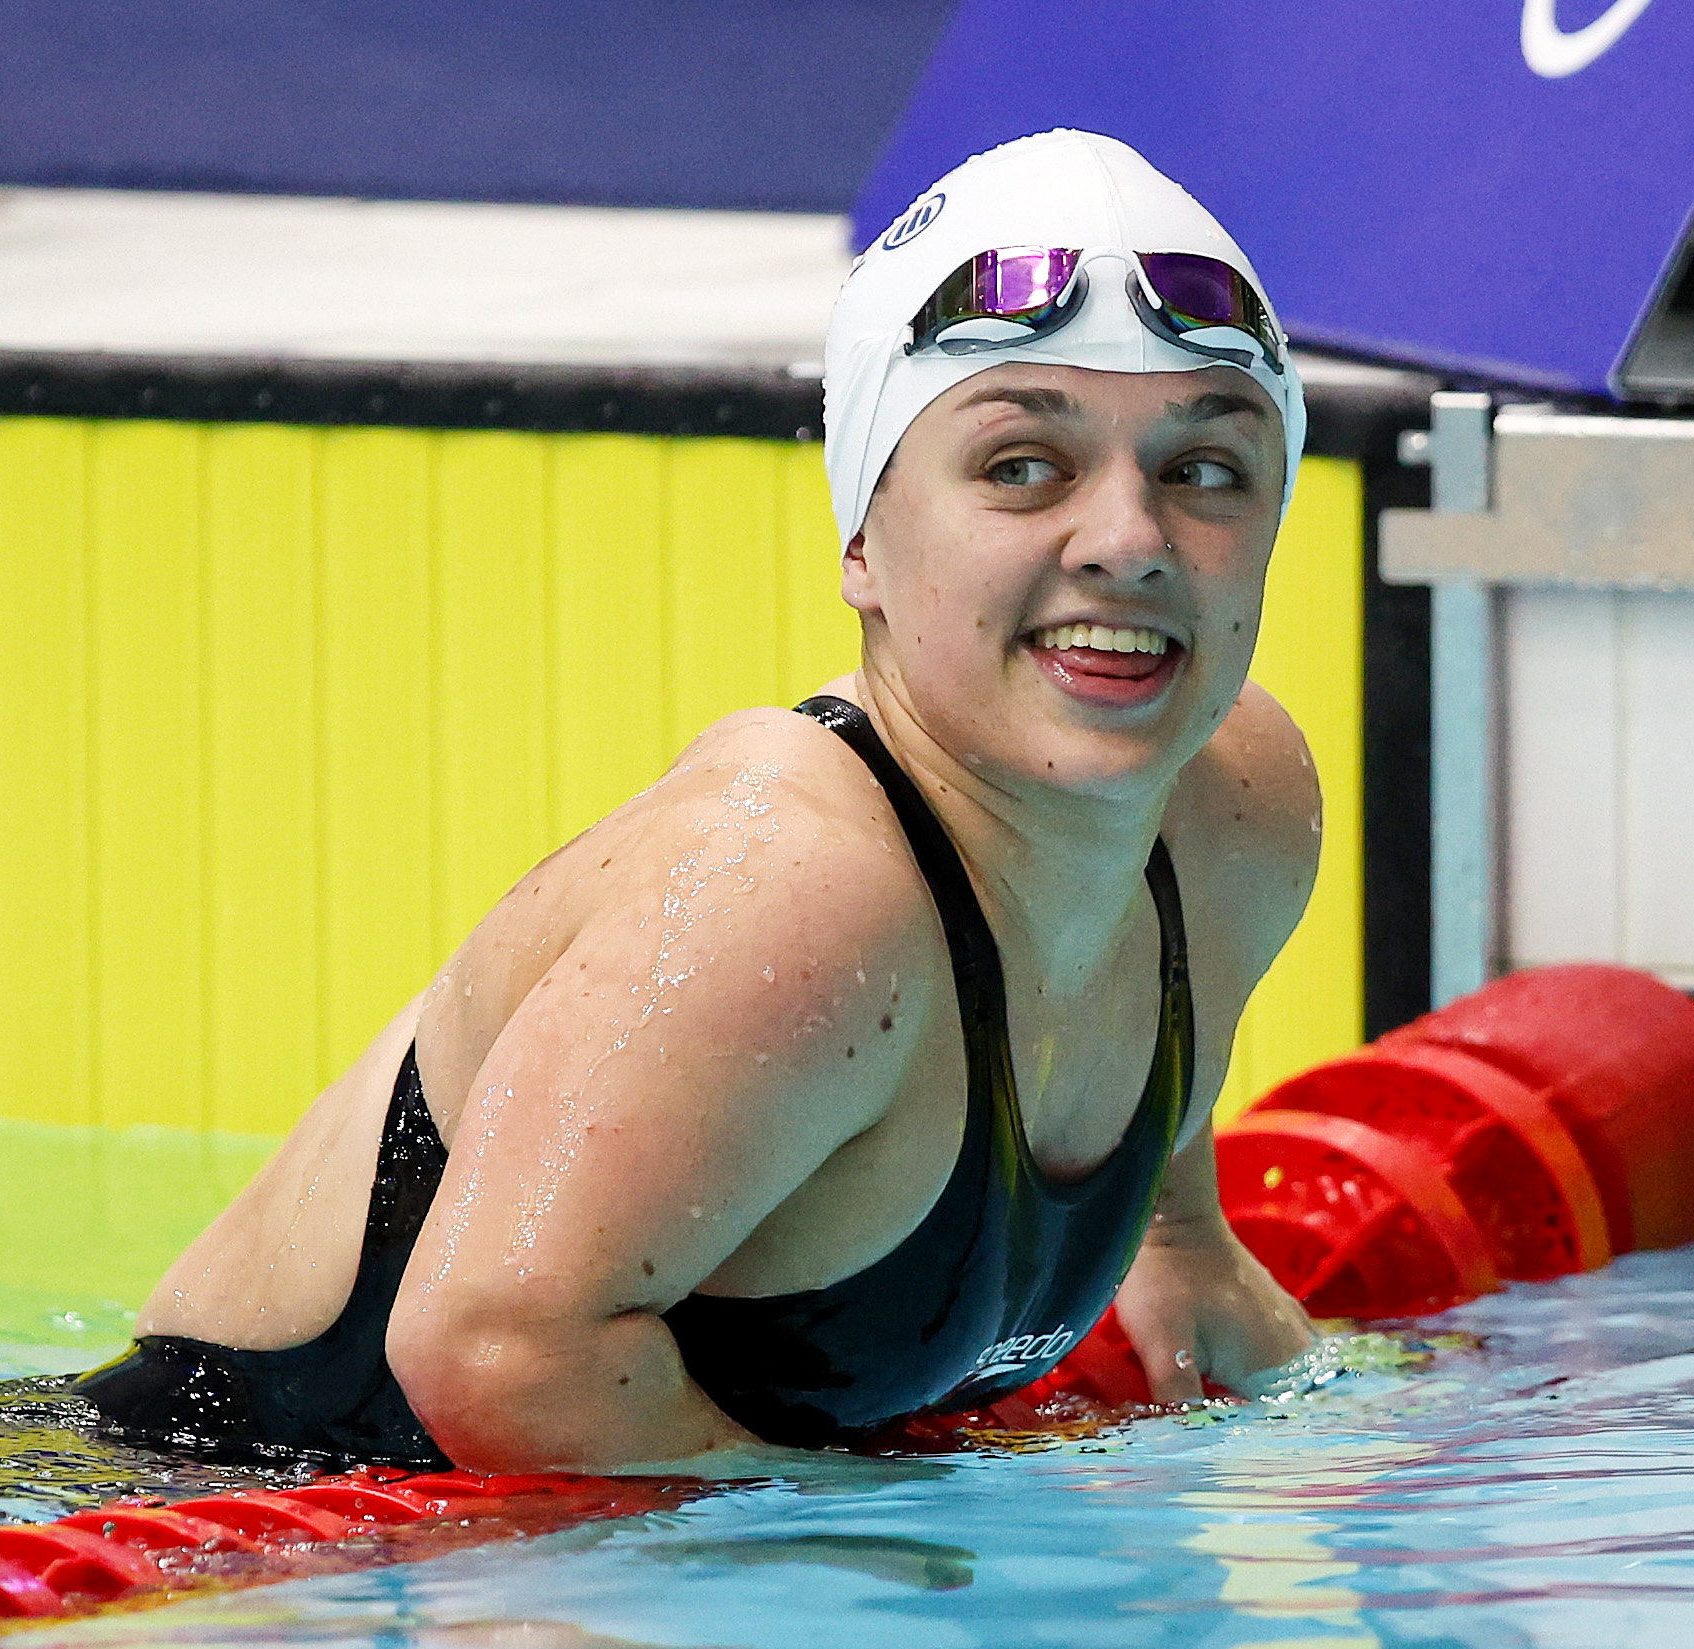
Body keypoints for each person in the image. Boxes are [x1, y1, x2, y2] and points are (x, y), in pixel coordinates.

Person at [73, 129, 1322, 1473]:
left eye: (1204, 470)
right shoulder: (790, 893)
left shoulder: (1234, 807)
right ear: (862, 540)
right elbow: (496, 1351)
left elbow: (1152, 1076)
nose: (1128, 540)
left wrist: (1180, 1240)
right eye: (1023, 466)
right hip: (202, 1531)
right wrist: (853, 1532)